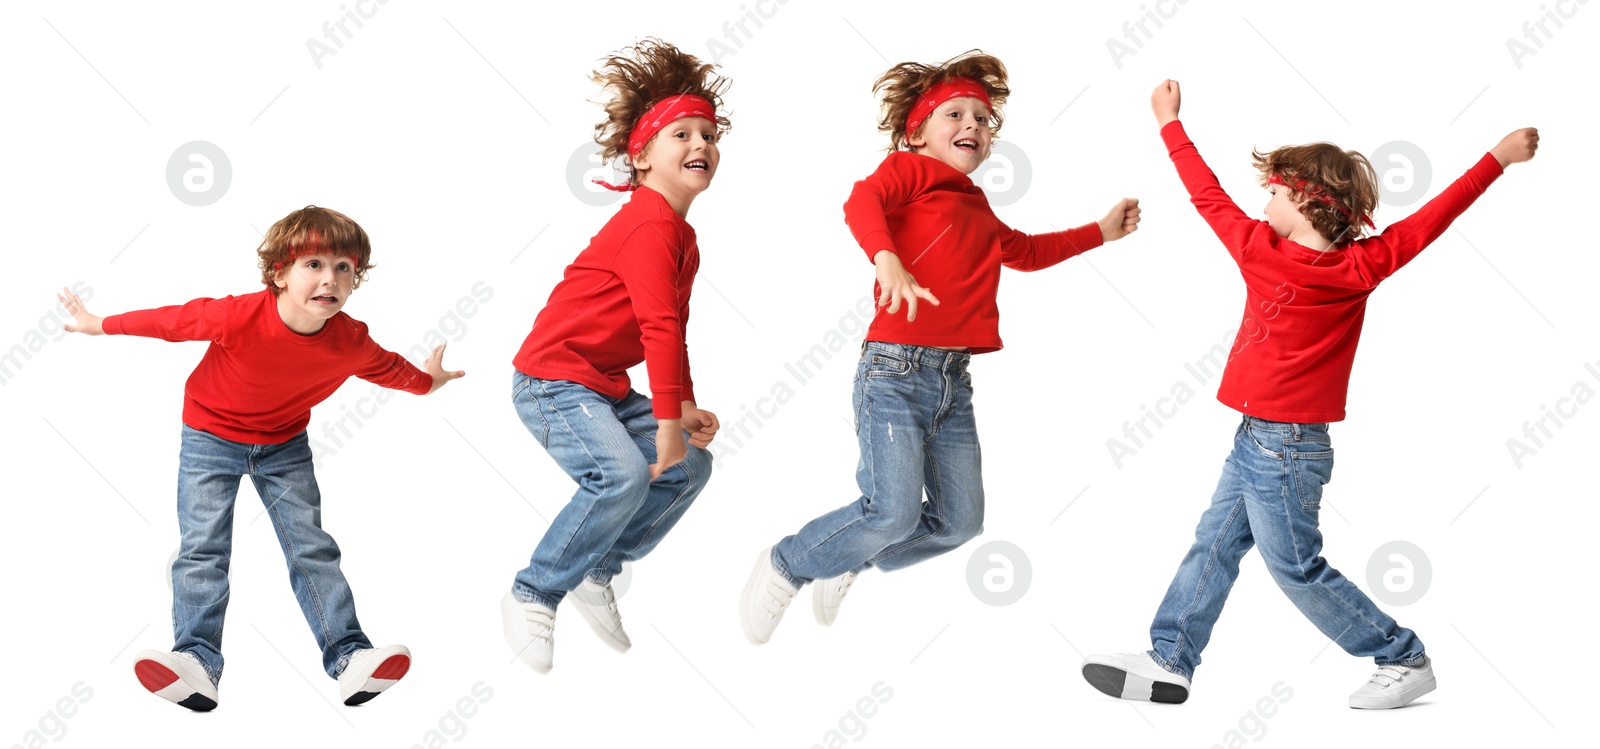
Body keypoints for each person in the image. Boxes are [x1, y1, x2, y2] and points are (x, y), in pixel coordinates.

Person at [1081, 79, 1538, 710]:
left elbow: (1203, 191)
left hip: (1287, 451)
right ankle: (1171, 658)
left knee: (1296, 568)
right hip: (1258, 439)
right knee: (1212, 542)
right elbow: (1432, 219)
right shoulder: (1358, 265)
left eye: (1273, 190)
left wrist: (1168, 123)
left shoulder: (1267, 251)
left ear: (1303, 199)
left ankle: (1401, 654)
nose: (1263, 199)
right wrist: (1497, 159)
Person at [739, 50, 1141, 645]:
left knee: (960, 523)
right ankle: (788, 563)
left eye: (982, 119)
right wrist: (887, 259)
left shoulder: (974, 205)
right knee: (892, 511)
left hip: (954, 381)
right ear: (917, 131)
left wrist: (1100, 233)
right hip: (895, 372)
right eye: (955, 114)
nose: (972, 126)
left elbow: (1025, 252)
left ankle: (851, 555)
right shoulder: (909, 172)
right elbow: (860, 202)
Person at [56, 205, 464, 710]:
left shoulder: (351, 341)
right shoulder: (238, 315)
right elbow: (170, 321)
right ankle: (196, 660)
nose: (330, 278)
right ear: (280, 273)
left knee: (311, 548)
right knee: (204, 549)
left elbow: (391, 370)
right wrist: (99, 324)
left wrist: (428, 382)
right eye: (313, 264)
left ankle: (350, 656)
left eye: (344, 268)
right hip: (210, 437)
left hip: (283, 446)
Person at [502, 38, 726, 674]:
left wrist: (680, 407)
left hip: (598, 383)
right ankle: (534, 590)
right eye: (681, 133)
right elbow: (656, 326)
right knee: (626, 475)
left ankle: (595, 566)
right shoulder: (649, 223)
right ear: (642, 155)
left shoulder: (679, 232)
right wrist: (663, 424)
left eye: (709, 135)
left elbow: (670, 329)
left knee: (688, 471)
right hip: (551, 380)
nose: (701, 145)